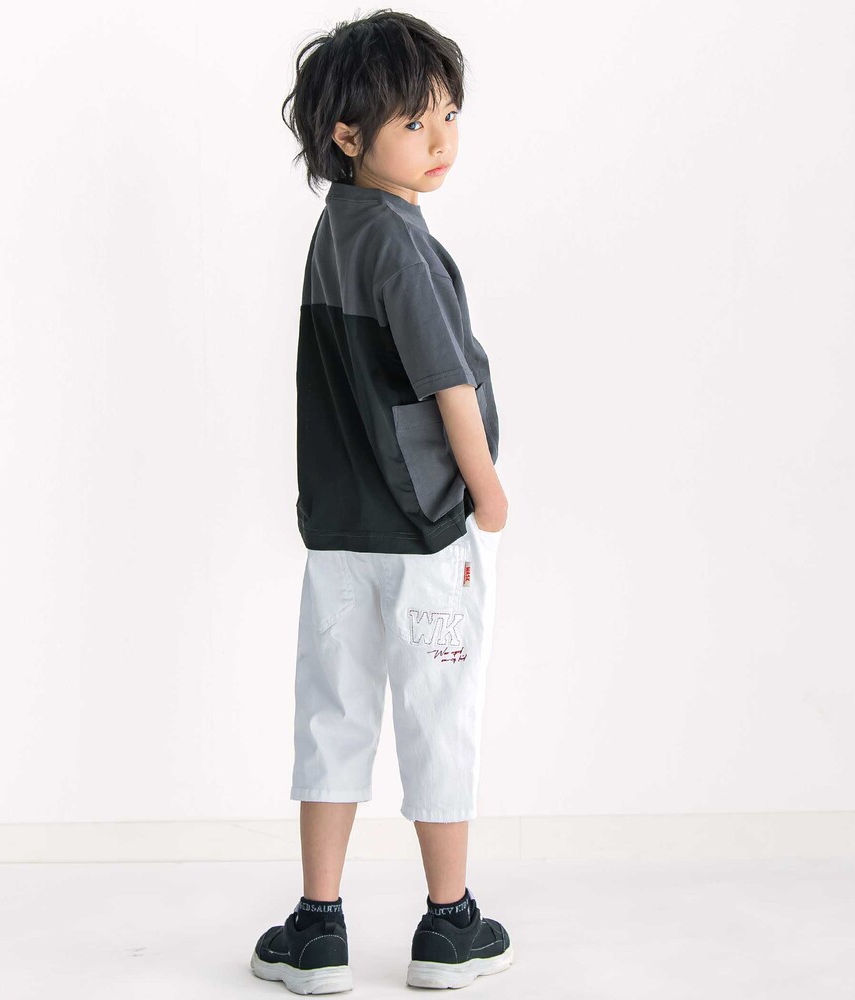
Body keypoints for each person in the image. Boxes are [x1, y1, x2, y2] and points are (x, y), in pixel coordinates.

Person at [251, 10, 514, 993]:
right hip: (425, 532)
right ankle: (449, 924)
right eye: (414, 122)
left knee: (333, 711)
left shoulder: (338, 228)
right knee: (438, 713)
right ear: (347, 135)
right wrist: (486, 490)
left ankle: (318, 927)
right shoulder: (401, 244)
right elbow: (448, 383)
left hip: (339, 532)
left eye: (448, 114)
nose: (442, 139)